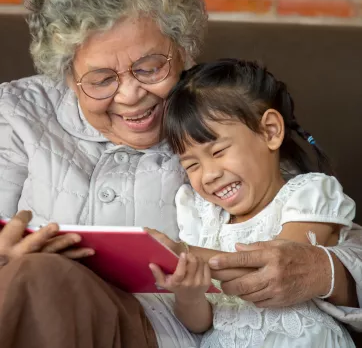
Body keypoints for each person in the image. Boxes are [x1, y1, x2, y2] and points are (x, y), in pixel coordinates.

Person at [0, 0, 361, 347]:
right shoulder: (18, 113)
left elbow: (313, 235)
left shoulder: (214, 116)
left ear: (183, 51)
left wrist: (327, 272)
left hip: (166, 334)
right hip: (37, 314)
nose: (130, 95)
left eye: (149, 67)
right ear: (67, 76)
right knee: (35, 277)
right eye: (102, 80)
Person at [150, 59, 356, 347]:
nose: (209, 175)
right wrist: (190, 293)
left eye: (218, 151)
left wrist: (182, 255)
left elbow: (276, 269)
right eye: (192, 164)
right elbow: (200, 322)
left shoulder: (309, 196)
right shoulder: (202, 216)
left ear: (270, 131)